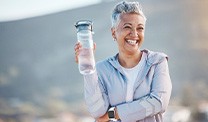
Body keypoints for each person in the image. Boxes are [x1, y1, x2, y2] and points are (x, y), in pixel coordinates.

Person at [74, 1, 172, 122]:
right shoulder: (101, 69)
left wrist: (114, 113)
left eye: (140, 28)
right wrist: (88, 69)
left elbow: (158, 102)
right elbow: (97, 111)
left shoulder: (157, 62)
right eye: (127, 27)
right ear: (113, 32)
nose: (134, 34)